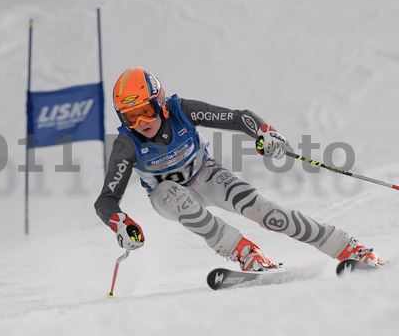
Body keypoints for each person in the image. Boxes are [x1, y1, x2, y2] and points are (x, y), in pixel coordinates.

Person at [94, 67, 384, 271]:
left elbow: (237, 117)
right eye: (130, 117)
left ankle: (347, 247)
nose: (141, 122)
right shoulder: (127, 144)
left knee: (268, 214)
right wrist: (121, 223)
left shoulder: (181, 111)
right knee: (174, 194)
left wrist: (265, 132)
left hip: (207, 174)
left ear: (160, 103)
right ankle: (245, 252)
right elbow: (106, 199)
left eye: (146, 110)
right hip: (165, 196)